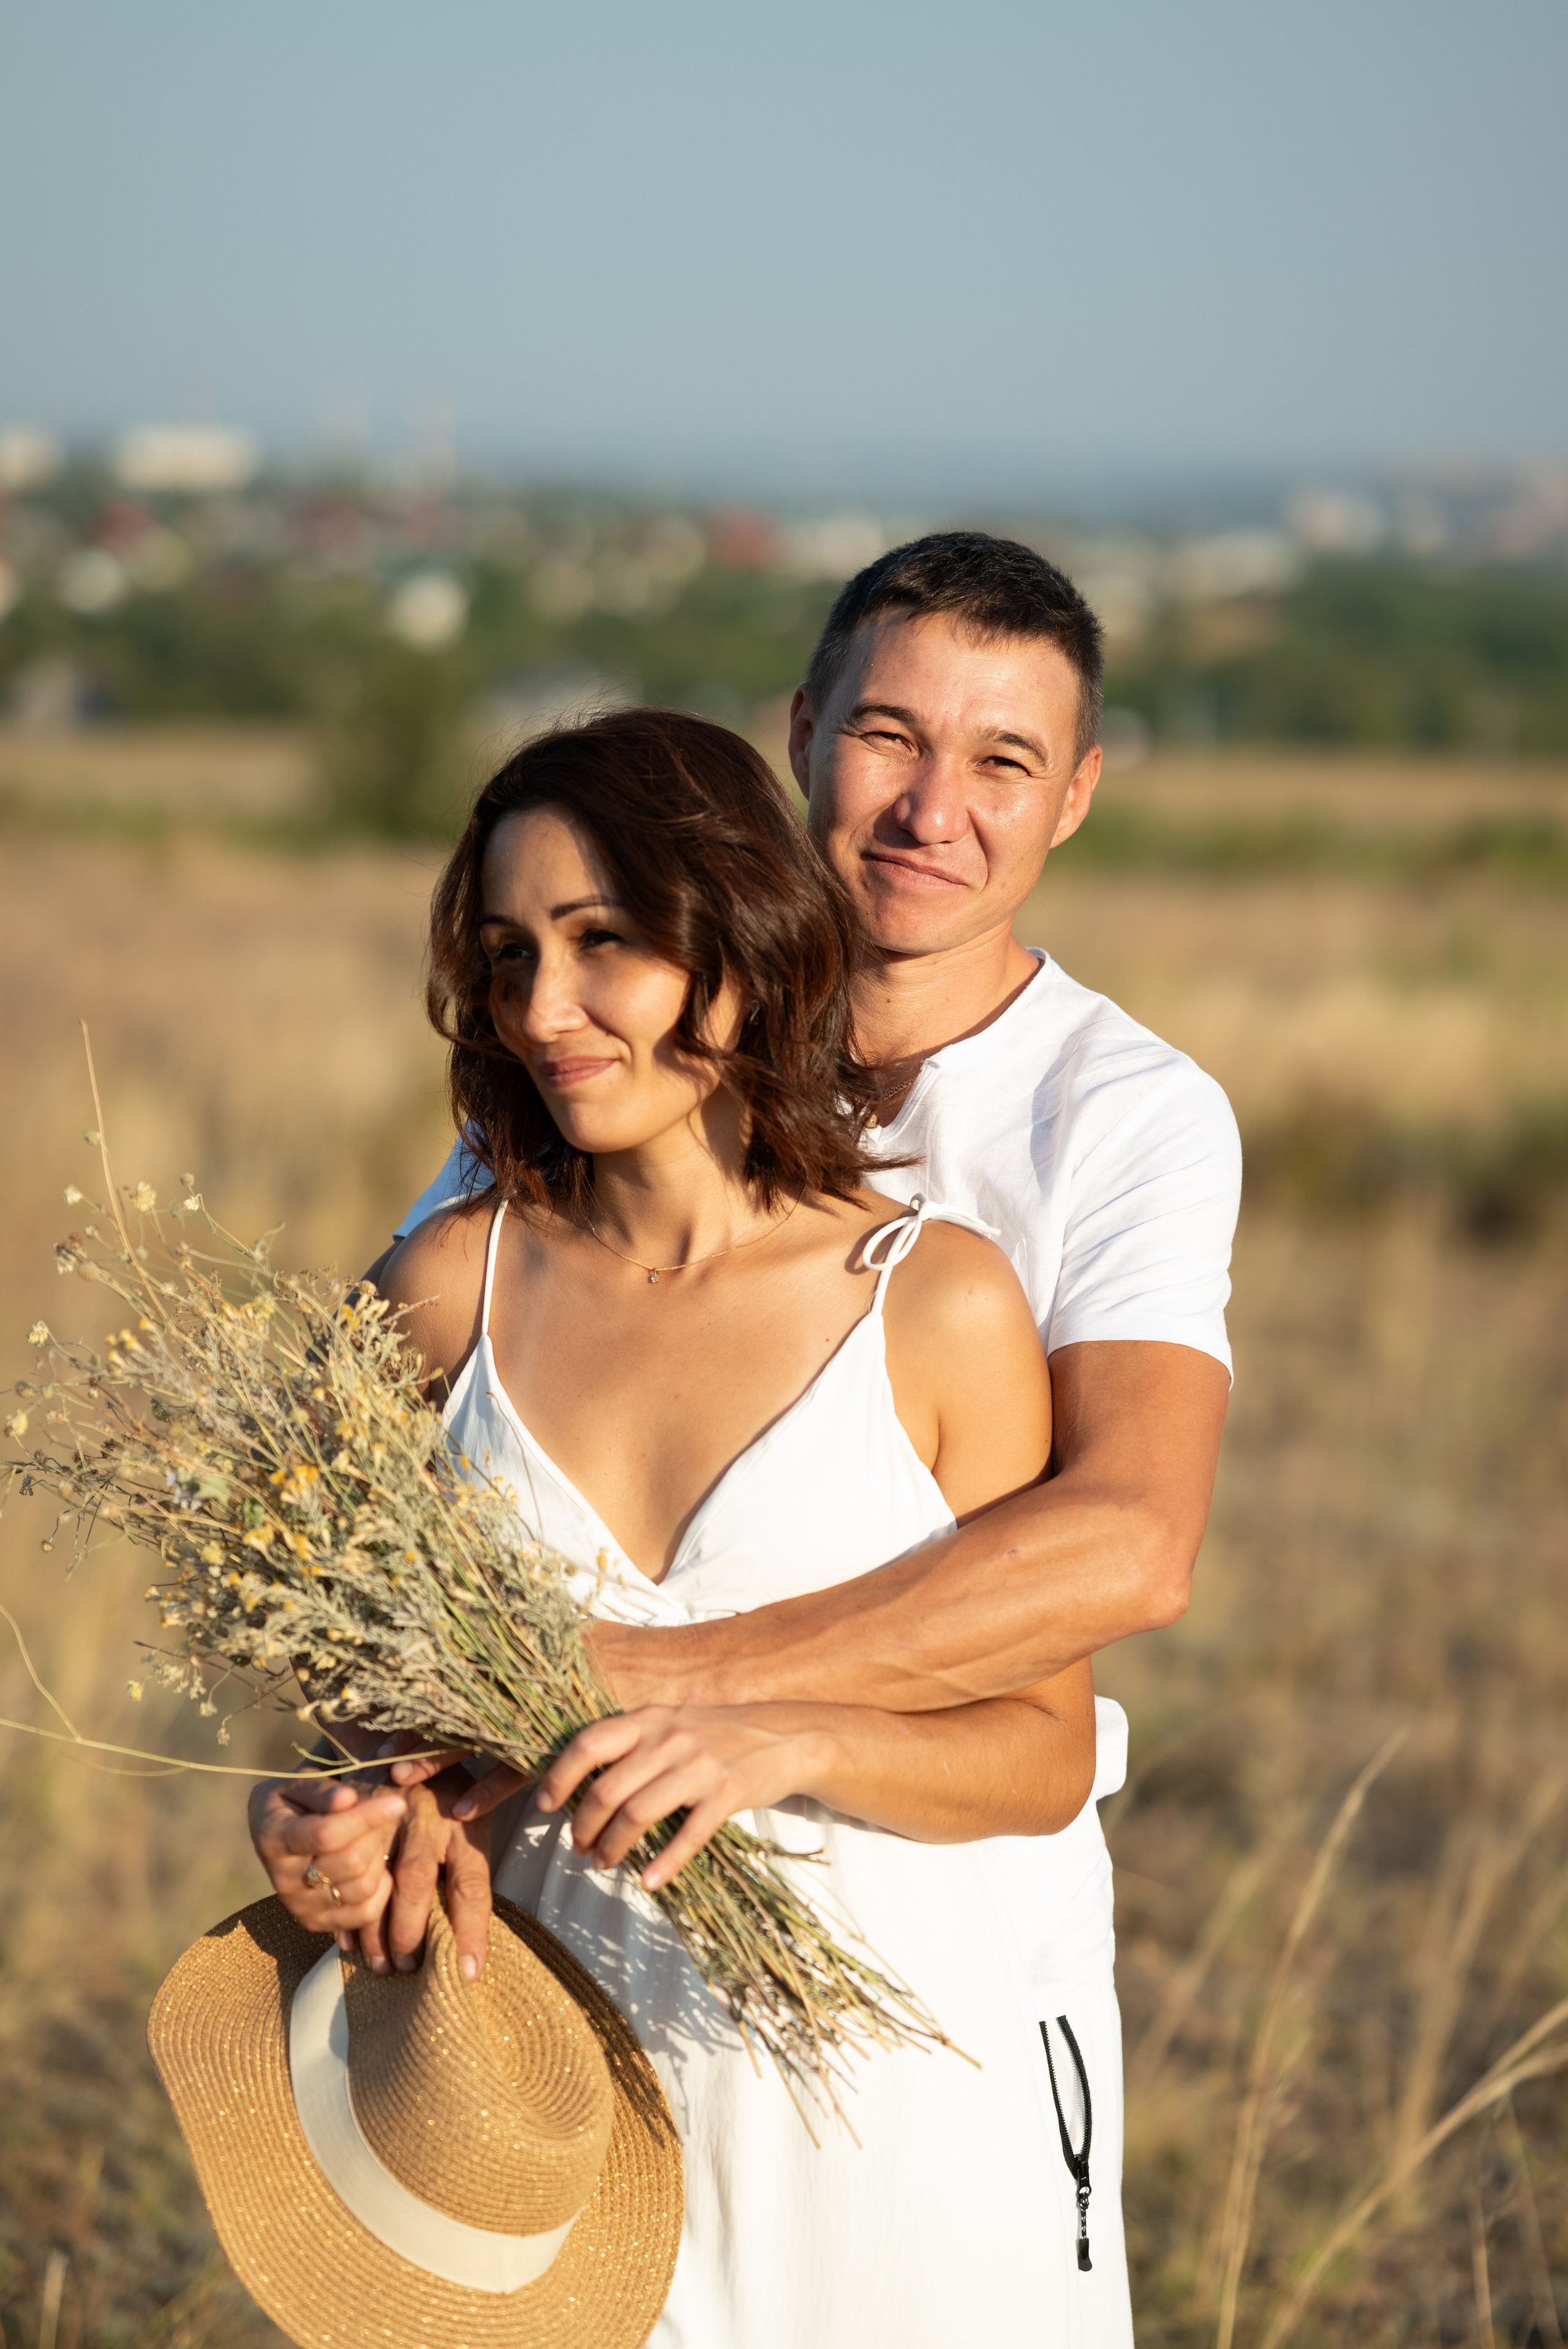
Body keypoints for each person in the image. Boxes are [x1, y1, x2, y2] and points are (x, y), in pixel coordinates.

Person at [258, 532, 1242, 2342]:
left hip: (926, 1990)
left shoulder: (1115, 1124)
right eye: (887, 735)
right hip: (550, 2045)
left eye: (1004, 759)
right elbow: (365, 1581)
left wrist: (653, 1687)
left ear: (1077, 794)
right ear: (800, 733)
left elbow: (1129, 1544)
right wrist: (355, 1788)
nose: (932, 808)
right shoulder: (538, 1148)